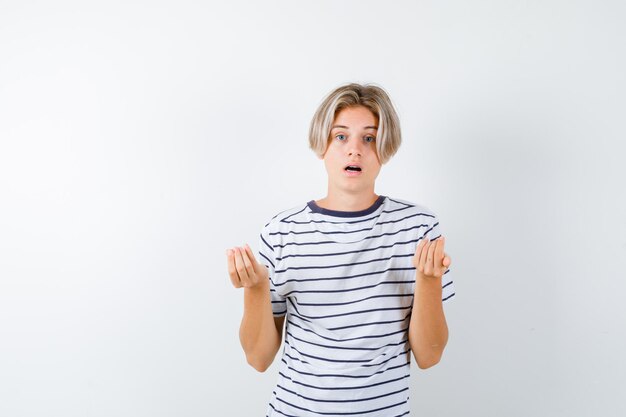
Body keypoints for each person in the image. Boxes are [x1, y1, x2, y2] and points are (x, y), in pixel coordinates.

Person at [226, 82, 456, 416]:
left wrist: (429, 281)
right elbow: (258, 358)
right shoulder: (282, 232)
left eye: (369, 138)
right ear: (323, 145)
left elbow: (429, 356)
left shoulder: (418, 228)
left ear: (385, 148)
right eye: (341, 136)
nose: (354, 150)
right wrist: (256, 288)